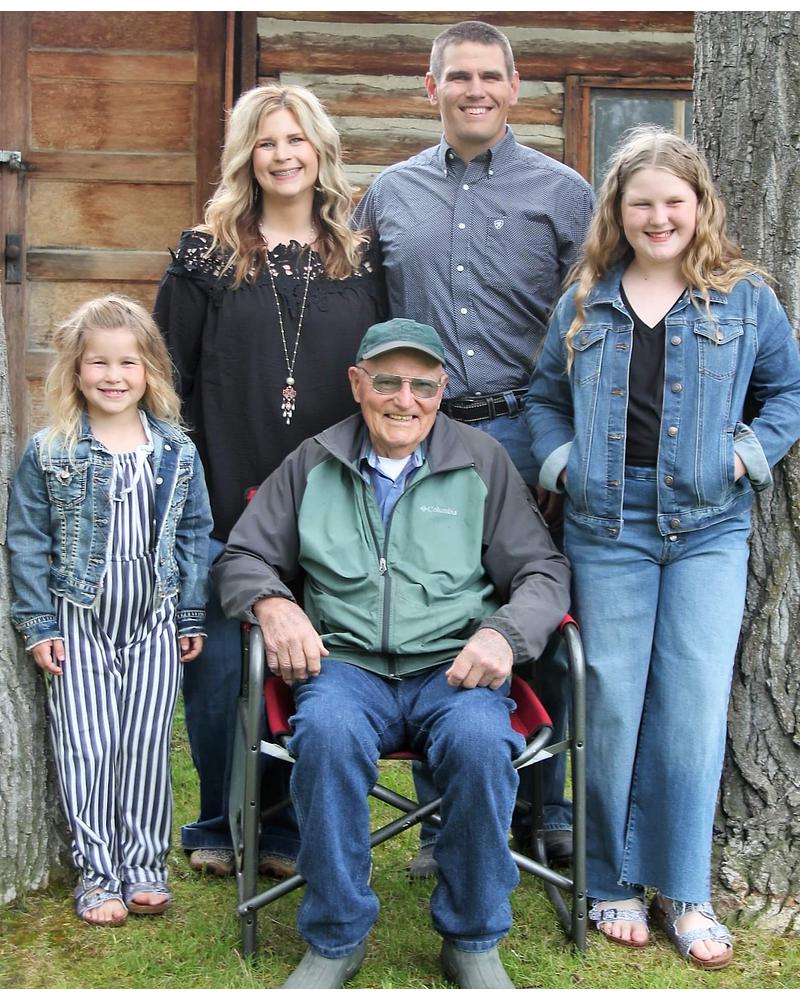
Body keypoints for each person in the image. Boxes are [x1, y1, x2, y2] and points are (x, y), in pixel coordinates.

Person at [213, 318, 570, 988]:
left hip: (454, 668)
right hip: (343, 669)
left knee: (478, 743)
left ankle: (472, 938)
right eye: (388, 381)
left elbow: (542, 571)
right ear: (357, 384)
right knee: (326, 735)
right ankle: (335, 938)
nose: (405, 399)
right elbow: (242, 556)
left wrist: (505, 634)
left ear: (441, 390)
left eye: (423, 386)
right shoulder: (313, 461)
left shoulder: (481, 460)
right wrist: (273, 604)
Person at [527, 126, 800, 970]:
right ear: (617, 209)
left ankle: (684, 890)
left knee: (691, 707)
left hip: (708, 528)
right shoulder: (586, 300)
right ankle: (608, 880)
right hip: (607, 527)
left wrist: (744, 457)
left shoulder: (744, 299)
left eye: (673, 202)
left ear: (699, 205)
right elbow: (544, 397)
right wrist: (564, 465)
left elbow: (787, 391)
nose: (658, 218)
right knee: (609, 702)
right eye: (640, 203)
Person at [352, 19, 595, 872]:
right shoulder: (389, 194)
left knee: (543, 608)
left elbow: (591, 326)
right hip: (424, 432)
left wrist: (567, 447)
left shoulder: (565, 193)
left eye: (490, 76)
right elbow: (366, 318)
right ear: (432, 88)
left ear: (514, 87)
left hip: (530, 432)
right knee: (433, 612)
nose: (475, 90)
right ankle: (439, 818)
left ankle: (546, 807)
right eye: (458, 76)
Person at [154, 83, 386, 879]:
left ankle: (282, 828)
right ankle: (221, 819)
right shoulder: (205, 255)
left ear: (320, 150)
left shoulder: (364, 257)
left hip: (333, 501)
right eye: (265, 141)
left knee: (307, 665)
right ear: (244, 157)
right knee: (222, 670)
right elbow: (168, 380)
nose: (283, 155)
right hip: (226, 489)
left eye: (295, 139)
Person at [8, 295, 212, 927]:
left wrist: (191, 614)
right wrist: (38, 624)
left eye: (128, 363)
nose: (114, 376)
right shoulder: (50, 451)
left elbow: (194, 532)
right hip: (80, 620)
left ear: (150, 371)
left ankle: (145, 867)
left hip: (153, 619)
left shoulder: (175, 451)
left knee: (146, 745)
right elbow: (27, 539)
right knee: (89, 747)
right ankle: (98, 874)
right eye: (98, 363)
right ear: (75, 371)